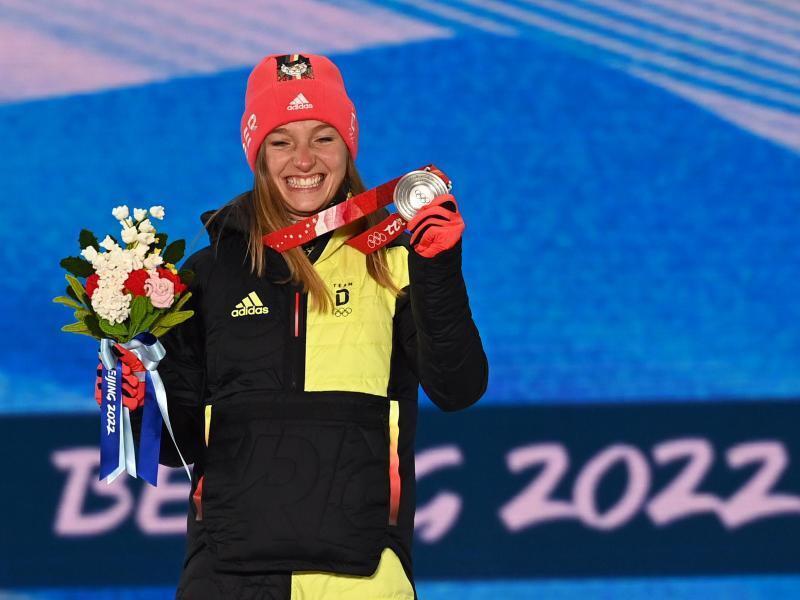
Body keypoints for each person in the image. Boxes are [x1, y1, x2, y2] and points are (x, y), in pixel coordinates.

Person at [128, 53, 486, 599]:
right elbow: (173, 449)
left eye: (324, 137)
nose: (304, 159)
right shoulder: (206, 274)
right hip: (228, 576)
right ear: (256, 153)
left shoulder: (392, 257)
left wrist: (438, 269)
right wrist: (134, 404)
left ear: (348, 146)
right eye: (281, 140)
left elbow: (459, 389)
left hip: (363, 573)